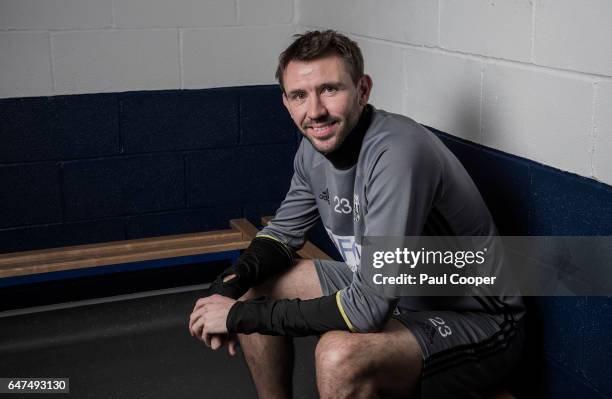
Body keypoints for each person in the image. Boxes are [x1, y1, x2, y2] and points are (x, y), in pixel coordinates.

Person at [188, 30, 525, 398]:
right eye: (300, 95)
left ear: (363, 90)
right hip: (395, 291)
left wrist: (237, 317)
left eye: (330, 89)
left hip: (477, 321)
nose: (314, 111)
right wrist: (224, 290)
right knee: (255, 287)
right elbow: (280, 236)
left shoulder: (398, 153)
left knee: (337, 355)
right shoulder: (312, 150)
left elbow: (368, 309)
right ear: (286, 102)